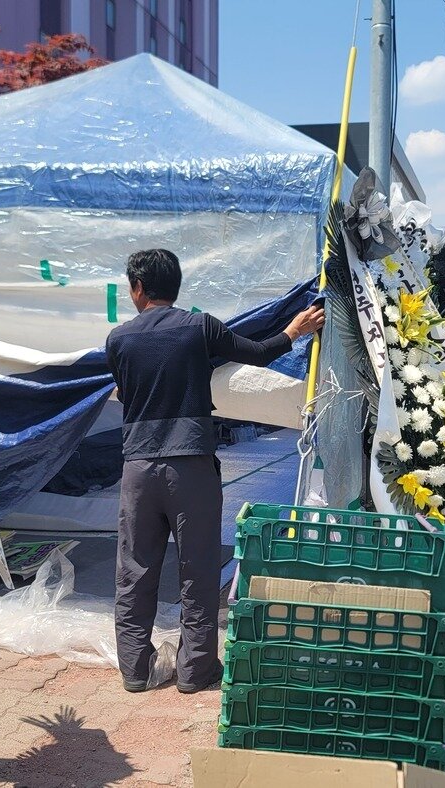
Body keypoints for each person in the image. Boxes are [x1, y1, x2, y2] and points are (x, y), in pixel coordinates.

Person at [105, 249, 325, 693]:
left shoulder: (118, 340)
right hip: (191, 466)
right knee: (198, 567)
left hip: (139, 467)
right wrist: (294, 330)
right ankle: (196, 671)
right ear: (176, 287)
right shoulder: (199, 327)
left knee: (135, 569)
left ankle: (134, 670)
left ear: (138, 289)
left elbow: (127, 392)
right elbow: (258, 353)